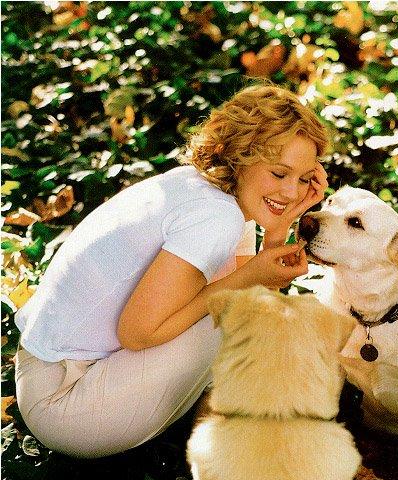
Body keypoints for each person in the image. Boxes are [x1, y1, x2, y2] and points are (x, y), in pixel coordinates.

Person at [14, 84, 329, 459]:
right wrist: (247, 280)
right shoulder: (216, 216)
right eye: (279, 174)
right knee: (241, 317)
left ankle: (216, 424)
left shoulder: (210, 192)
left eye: (306, 177)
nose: (293, 192)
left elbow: (255, 286)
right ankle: (234, 451)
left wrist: (278, 231)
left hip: (44, 374)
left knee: (244, 310)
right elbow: (138, 333)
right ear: (241, 157)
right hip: (65, 404)